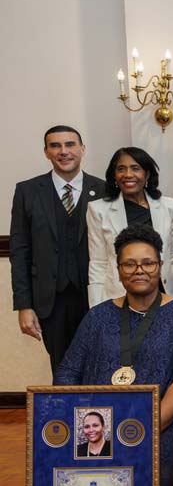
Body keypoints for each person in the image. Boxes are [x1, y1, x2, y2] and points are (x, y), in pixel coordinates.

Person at [55, 224, 173, 486]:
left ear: (160, 267)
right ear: (117, 270)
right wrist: (84, 423)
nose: (138, 270)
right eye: (129, 263)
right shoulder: (98, 315)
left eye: (147, 263)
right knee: (59, 454)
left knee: (161, 462)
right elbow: (67, 372)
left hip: (167, 423)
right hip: (99, 424)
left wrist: (149, 426)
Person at [10, 125, 106, 374]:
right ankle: (65, 414)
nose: (64, 151)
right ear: (46, 152)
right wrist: (24, 305)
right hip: (50, 301)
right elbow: (20, 251)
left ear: (82, 149)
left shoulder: (105, 190)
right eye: (55, 146)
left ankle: (98, 413)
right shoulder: (27, 191)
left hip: (97, 296)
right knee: (62, 368)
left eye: (70, 144)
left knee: (100, 365)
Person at [87, 147, 173, 305]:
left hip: (163, 294)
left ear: (147, 174)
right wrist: (96, 307)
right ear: (114, 176)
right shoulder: (98, 210)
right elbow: (98, 262)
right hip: (118, 295)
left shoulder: (168, 206)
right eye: (121, 169)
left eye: (135, 168)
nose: (128, 174)